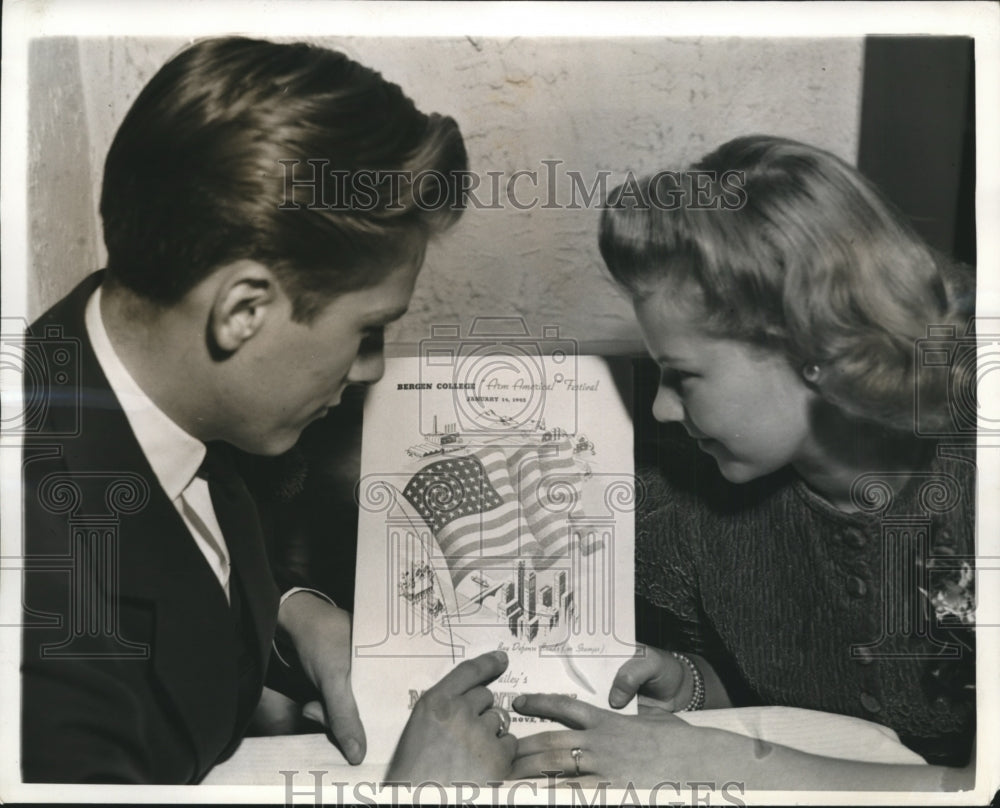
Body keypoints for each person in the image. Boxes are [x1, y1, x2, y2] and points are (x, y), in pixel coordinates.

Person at [21, 36, 513, 784]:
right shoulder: (41, 605)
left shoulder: (139, 366)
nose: (374, 367)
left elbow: (172, 544)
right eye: (368, 331)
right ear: (243, 310)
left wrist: (288, 616)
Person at [510, 135, 976, 790]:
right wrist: (690, 687)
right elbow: (810, 708)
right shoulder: (695, 495)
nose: (661, 410)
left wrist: (726, 764)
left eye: (683, 376)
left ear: (813, 349)